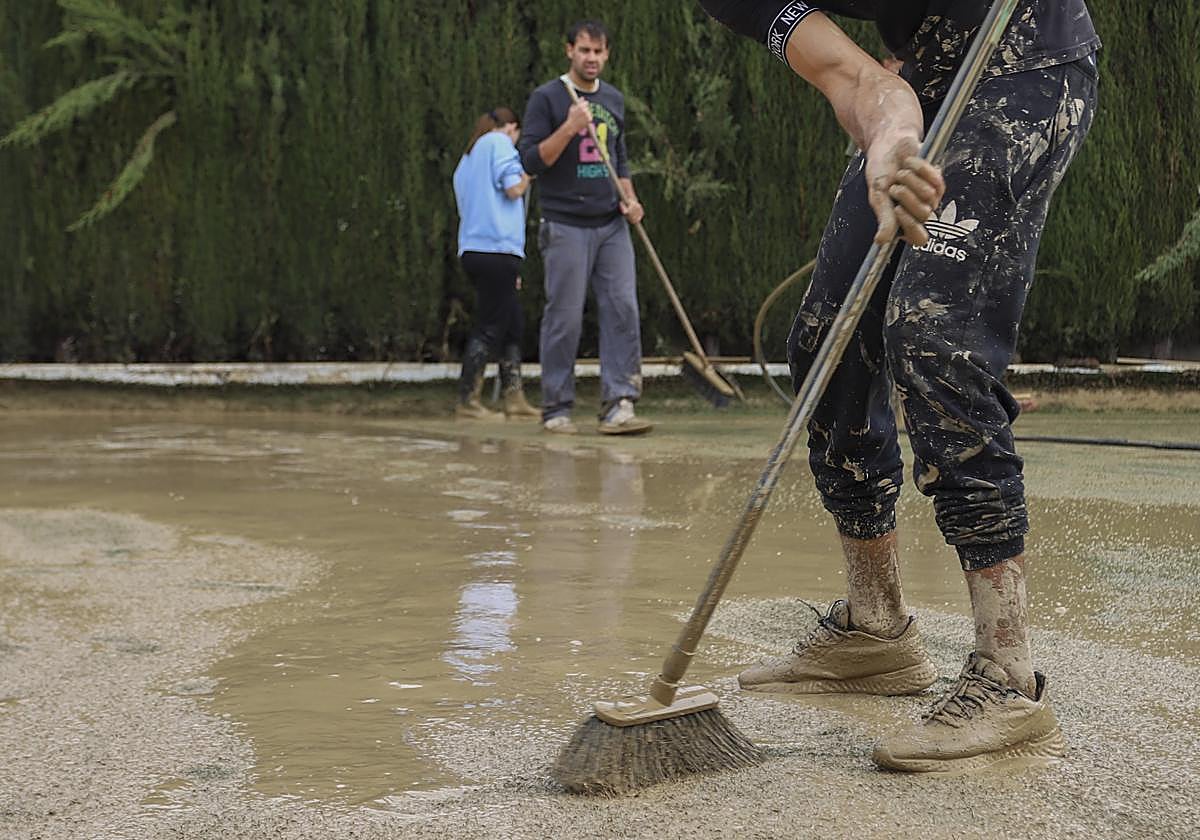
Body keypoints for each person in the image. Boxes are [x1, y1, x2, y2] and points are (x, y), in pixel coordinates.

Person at [697, 0, 1099, 772]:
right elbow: (853, 76)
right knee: (827, 342)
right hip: (932, 80)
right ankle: (875, 630)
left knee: (932, 335)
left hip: (1026, 68)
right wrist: (892, 137)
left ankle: (1006, 671)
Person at [518, 20, 652, 436]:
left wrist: (630, 200)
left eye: (598, 52)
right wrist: (569, 127)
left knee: (623, 309)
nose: (591, 58)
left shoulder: (612, 98)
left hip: (612, 222)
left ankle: (619, 403)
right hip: (565, 223)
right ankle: (556, 407)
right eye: (584, 50)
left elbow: (620, 158)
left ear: (607, 54)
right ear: (569, 51)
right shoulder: (548, 98)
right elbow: (530, 161)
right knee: (565, 317)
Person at [451, 106, 539, 421]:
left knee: (511, 322)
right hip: (497, 248)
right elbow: (514, 187)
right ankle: (468, 399)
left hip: (475, 249)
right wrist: (528, 170)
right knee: (490, 325)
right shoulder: (500, 143)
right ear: (511, 127)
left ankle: (513, 397)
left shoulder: (467, 159)